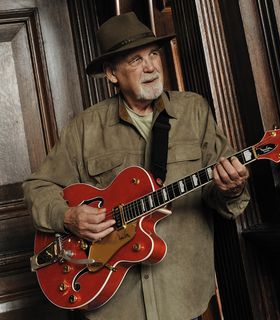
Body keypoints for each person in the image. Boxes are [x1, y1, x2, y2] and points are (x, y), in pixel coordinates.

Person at [23, 12, 250, 320]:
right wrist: (67, 216)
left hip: (183, 294)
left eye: (154, 54)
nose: (150, 67)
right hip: (115, 304)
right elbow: (38, 187)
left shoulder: (193, 111)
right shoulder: (85, 128)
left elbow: (221, 196)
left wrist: (232, 187)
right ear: (112, 74)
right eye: (135, 60)